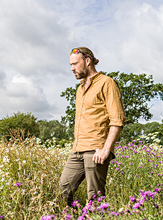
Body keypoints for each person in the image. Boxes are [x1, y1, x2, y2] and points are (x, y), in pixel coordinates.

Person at [59, 47, 126, 206]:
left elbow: (117, 120)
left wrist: (106, 149)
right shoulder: (80, 89)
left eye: (75, 64)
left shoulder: (107, 83)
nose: (72, 68)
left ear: (87, 60)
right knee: (63, 189)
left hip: (96, 150)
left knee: (95, 199)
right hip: (78, 149)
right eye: (71, 65)